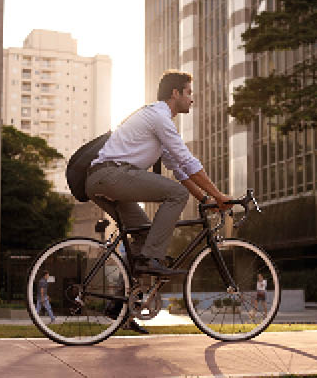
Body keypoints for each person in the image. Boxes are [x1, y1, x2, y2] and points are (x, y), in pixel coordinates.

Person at [86, 70, 232, 331]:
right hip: (110, 175)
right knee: (176, 194)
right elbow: (187, 160)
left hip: (102, 180)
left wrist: (207, 199)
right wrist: (220, 196)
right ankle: (152, 259)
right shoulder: (159, 117)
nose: (192, 99)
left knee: (143, 237)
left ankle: (120, 309)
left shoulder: (156, 121)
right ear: (175, 94)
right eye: (189, 93)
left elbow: (179, 168)